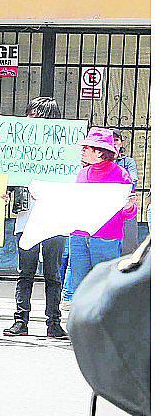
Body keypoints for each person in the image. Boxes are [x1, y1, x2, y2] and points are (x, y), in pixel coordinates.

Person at [0, 97, 68, 338]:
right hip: (27, 218)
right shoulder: (20, 152)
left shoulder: (64, 152)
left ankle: (53, 322)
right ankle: (20, 320)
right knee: (26, 272)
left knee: (53, 274)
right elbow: (4, 187)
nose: (28, 121)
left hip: (55, 219)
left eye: (33, 116)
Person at [62, 128, 139, 335]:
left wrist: (129, 207)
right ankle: (81, 329)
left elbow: (129, 213)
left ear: (100, 152)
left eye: (86, 148)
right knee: (80, 282)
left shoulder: (120, 175)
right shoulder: (82, 174)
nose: (82, 150)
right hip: (79, 236)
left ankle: (103, 329)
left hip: (106, 238)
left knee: (103, 285)